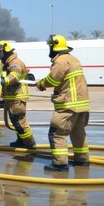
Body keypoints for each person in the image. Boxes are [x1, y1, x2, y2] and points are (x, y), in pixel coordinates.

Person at [35, 34, 90, 172]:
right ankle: (82, 160)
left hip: (68, 104)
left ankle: (60, 164)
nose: (49, 50)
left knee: (57, 133)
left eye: (50, 47)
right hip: (81, 104)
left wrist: (40, 84)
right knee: (78, 133)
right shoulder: (73, 59)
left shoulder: (60, 61)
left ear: (55, 46)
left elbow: (53, 80)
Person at [0, 40, 36, 148]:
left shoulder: (15, 63)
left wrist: (5, 81)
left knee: (19, 121)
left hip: (18, 97)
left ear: (5, 51)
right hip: (13, 96)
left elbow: (15, 75)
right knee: (15, 120)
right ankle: (21, 141)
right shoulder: (8, 63)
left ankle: (29, 143)